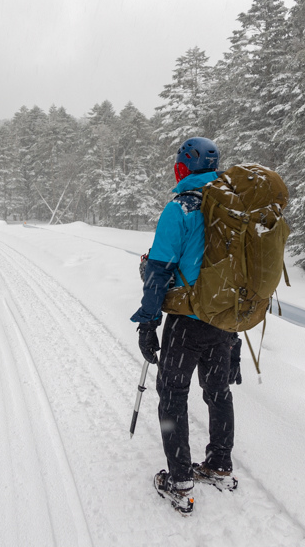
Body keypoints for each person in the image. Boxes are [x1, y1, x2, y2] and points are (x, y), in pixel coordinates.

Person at [131, 137, 240, 516]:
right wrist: (235, 338)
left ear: (183, 167)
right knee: (218, 391)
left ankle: (179, 480)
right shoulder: (233, 208)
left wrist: (148, 323)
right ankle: (219, 465)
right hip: (224, 319)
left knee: (172, 395)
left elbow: (160, 269)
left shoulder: (180, 208)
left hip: (187, 321)